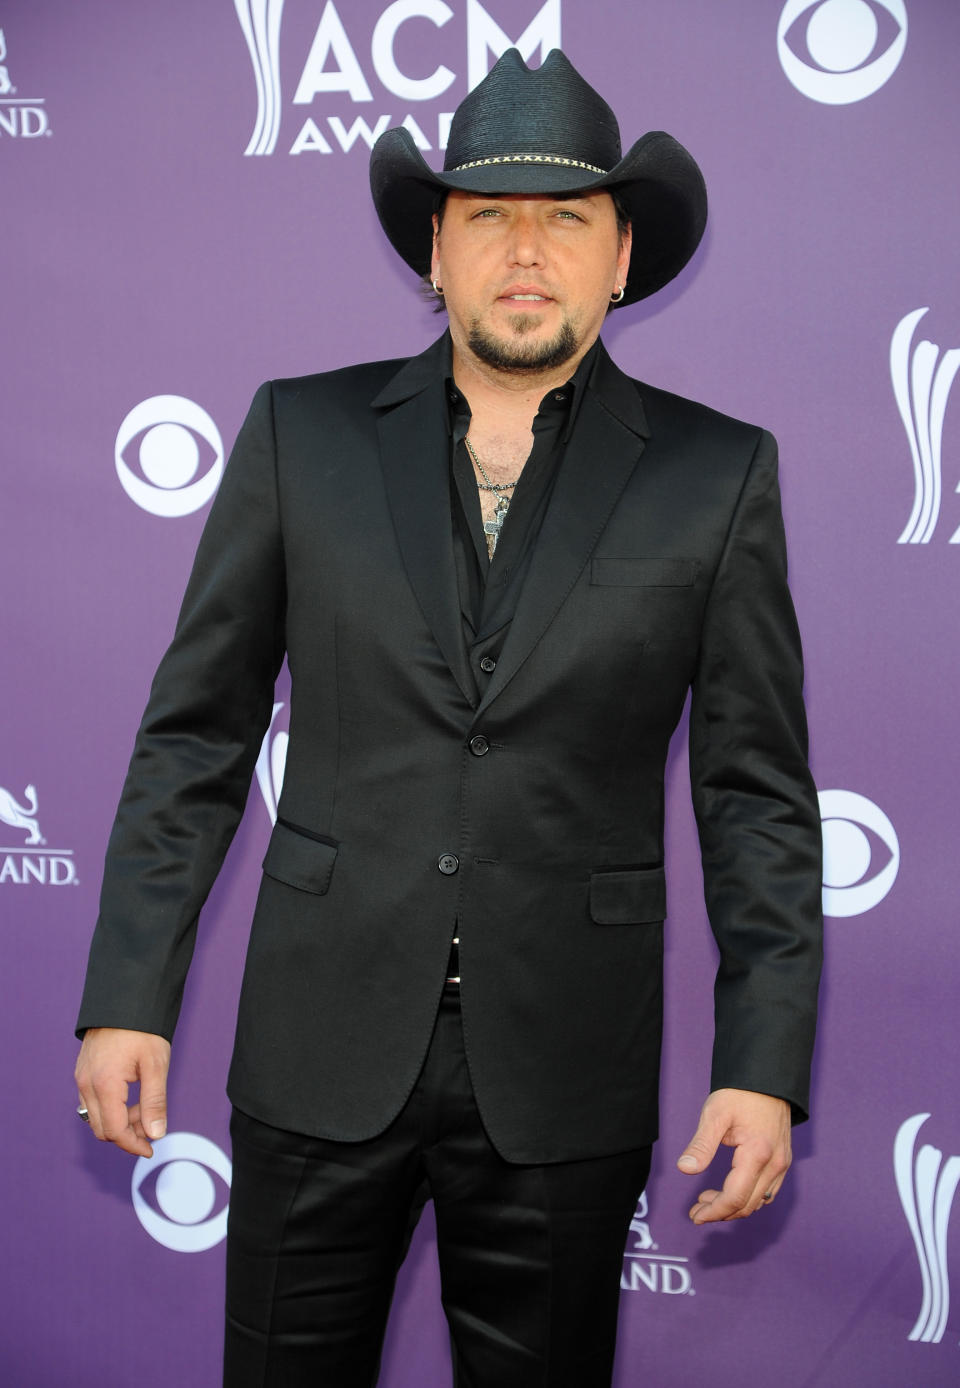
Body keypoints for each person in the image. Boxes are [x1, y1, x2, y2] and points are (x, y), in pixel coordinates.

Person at [75, 48, 823, 1388]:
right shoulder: (301, 438)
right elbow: (195, 734)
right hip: (319, 1045)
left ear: (621, 252)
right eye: (488, 215)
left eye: (566, 219)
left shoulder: (718, 474)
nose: (525, 250)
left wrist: (764, 1064)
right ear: (437, 247)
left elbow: (755, 792)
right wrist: (129, 993)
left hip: (565, 1066)